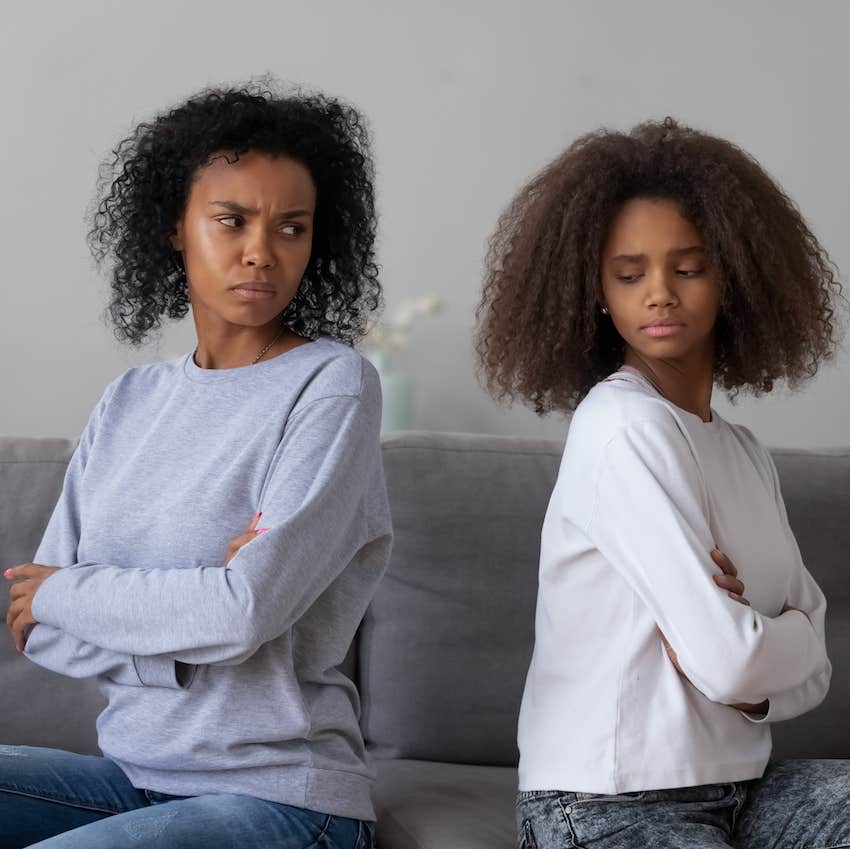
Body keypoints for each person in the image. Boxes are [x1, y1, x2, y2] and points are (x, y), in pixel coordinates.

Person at [2, 81, 391, 849]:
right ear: (176, 228)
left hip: (285, 798)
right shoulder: (130, 399)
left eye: (291, 227)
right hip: (133, 775)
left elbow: (243, 610)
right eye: (231, 220)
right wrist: (188, 632)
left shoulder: (332, 384)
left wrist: (77, 593)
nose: (261, 251)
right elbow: (30, 616)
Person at [476, 117, 846, 848]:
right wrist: (775, 638)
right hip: (608, 800)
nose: (660, 294)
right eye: (630, 272)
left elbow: (813, 664)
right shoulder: (622, 428)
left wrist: (764, 643)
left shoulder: (742, 451)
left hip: (743, 785)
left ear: (734, 275)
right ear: (597, 292)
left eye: (688, 267)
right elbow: (734, 658)